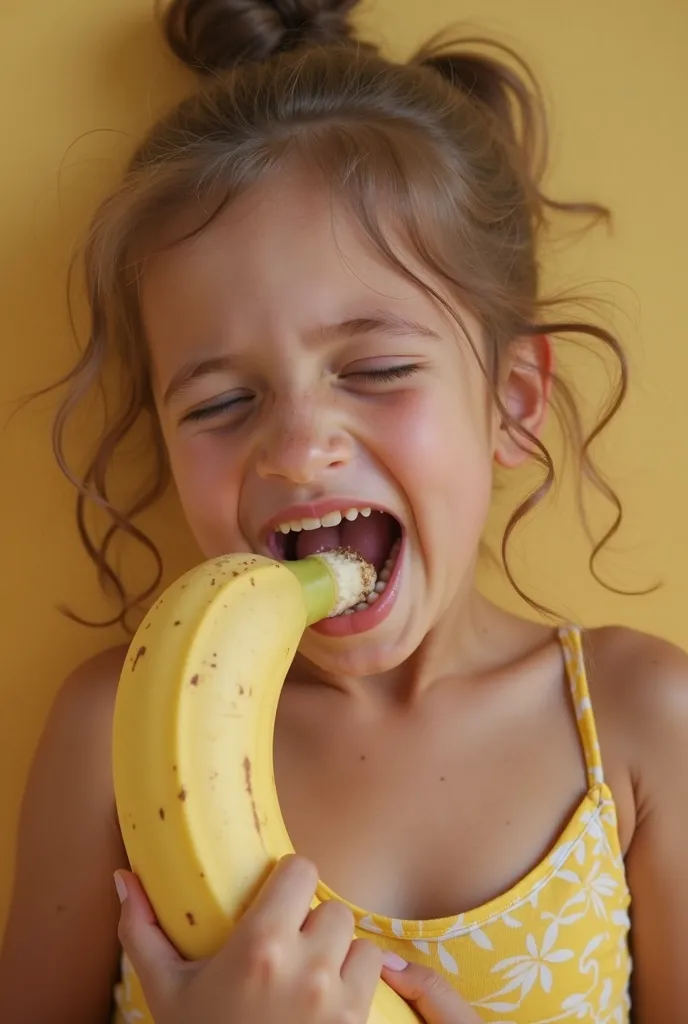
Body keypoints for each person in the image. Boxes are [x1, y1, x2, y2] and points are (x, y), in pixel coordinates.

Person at [1, 0, 687, 1021]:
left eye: (373, 369)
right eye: (223, 402)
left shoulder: (639, 721)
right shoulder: (119, 731)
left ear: (511, 402)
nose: (296, 445)